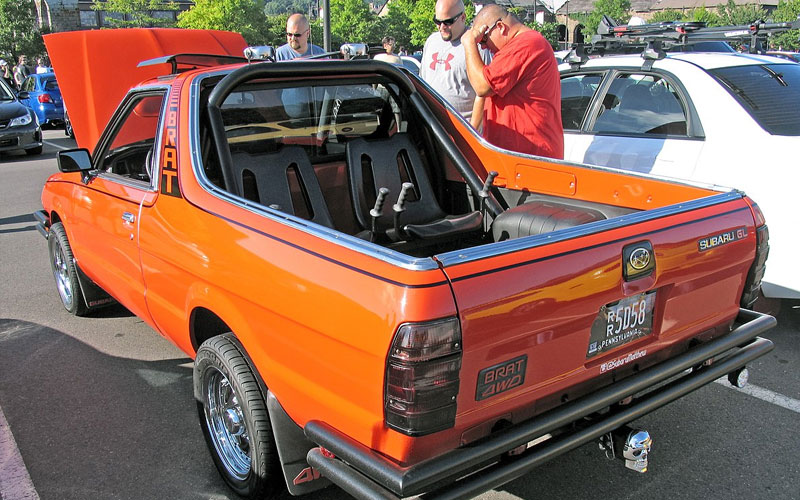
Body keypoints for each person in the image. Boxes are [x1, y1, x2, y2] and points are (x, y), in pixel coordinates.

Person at [462, 4, 563, 159]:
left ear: (501, 27)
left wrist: (469, 43)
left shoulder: (527, 44)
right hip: (517, 159)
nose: (483, 47)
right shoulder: (517, 47)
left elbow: (482, 87)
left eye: (483, 40)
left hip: (530, 159)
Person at [419, 0, 491, 129]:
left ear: (463, 17)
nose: (441, 27)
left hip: (461, 131)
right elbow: (422, 83)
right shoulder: (431, 41)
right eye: (437, 21)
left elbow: (484, 94)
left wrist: (471, 133)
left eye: (448, 22)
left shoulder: (478, 46)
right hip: (432, 126)